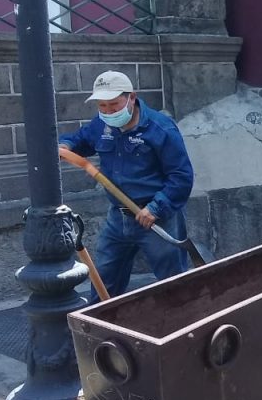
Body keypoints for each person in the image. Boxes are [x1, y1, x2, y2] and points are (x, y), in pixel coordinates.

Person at [59, 71, 194, 299]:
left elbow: (181, 176)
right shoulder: (102, 125)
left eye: (114, 105)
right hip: (118, 219)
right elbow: (81, 139)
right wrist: (65, 145)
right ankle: (102, 328)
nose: (108, 112)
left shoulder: (160, 129)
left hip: (156, 218)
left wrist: (156, 208)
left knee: (174, 284)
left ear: (131, 97)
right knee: (103, 280)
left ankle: (182, 328)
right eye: (102, 106)